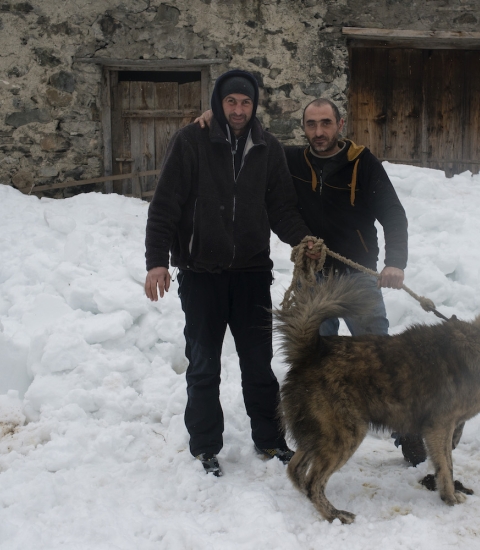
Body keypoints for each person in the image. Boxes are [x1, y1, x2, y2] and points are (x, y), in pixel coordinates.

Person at [197, 99, 427, 465]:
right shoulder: (290, 160)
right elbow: (252, 140)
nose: (318, 132)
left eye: (326, 124)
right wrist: (218, 118)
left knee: (383, 360)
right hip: (313, 279)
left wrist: (395, 263)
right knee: (312, 361)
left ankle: (407, 432)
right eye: (311, 124)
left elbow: (393, 214)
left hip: (357, 278)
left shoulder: (361, 162)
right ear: (302, 127)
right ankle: (318, 432)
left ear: (340, 124)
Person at [144, 69, 318, 477]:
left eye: (245, 102)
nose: (239, 110)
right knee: (204, 363)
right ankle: (205, 446)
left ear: (254, 105)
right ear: (218, 104)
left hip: (252, 273)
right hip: (201, 273)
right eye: (231, 102)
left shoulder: (268, 148)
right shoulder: (191, 141)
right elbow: (165, 204)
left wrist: (302, 240)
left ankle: (271, 439)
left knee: (258, 362)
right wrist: (157, 260)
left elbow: (280, 208)